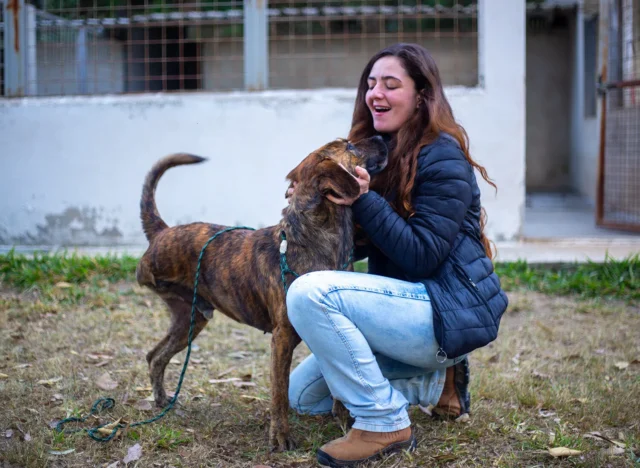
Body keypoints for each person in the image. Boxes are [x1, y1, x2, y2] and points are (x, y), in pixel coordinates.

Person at [284, 43, 509, 467]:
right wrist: (316, 202)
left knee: (310, 293)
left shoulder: (443, 156)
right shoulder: (381, 153)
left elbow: (422, 256)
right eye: (371, 84)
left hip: (444, 310)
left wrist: (363, 198)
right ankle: (437, 386)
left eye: (391, 84)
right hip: (399, 312)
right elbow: (365, 244)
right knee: (302, 398)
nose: (376, 94)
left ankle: (383, 422)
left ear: (422, 96)